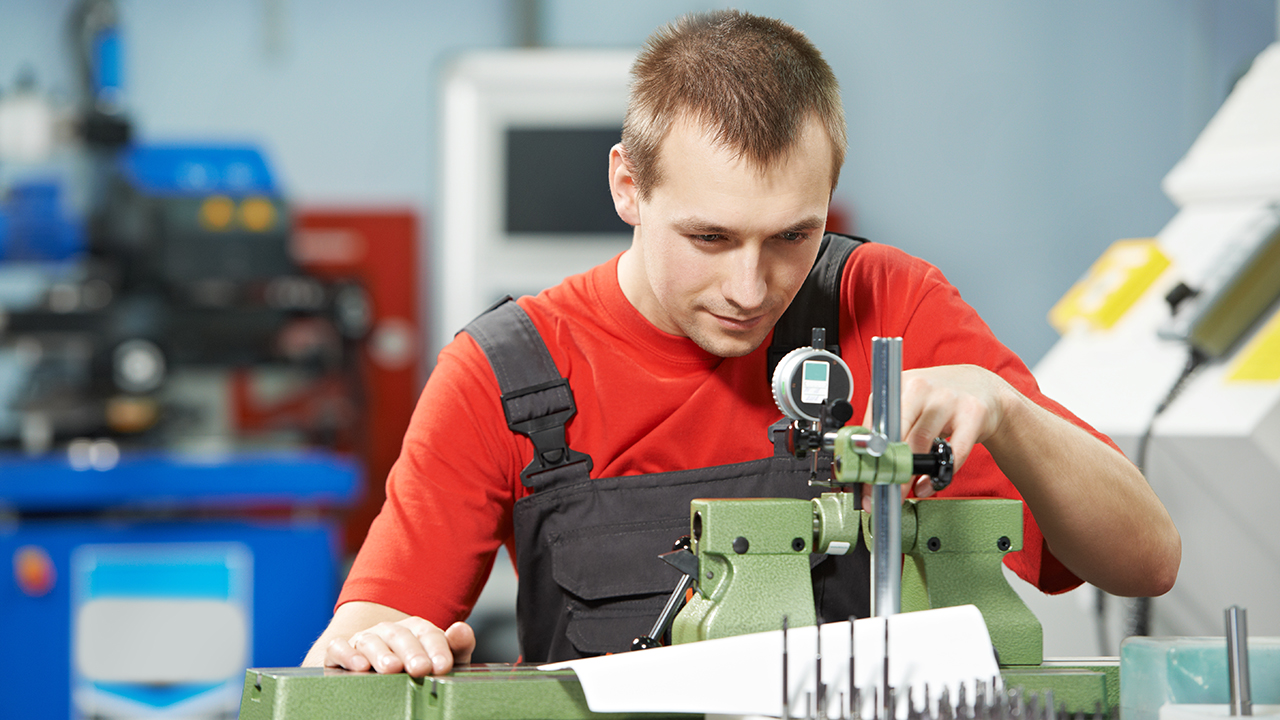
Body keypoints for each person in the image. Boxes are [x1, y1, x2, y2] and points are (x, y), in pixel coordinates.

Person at [302, 10, 1180, 678]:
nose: (750, 289)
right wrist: (373, 646)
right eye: (711, 239)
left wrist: (1010, 413)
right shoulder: (509, 374)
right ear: (627, 185)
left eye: (792, 237)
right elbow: (354, 646)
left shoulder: (888, 301)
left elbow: (1145, 563)